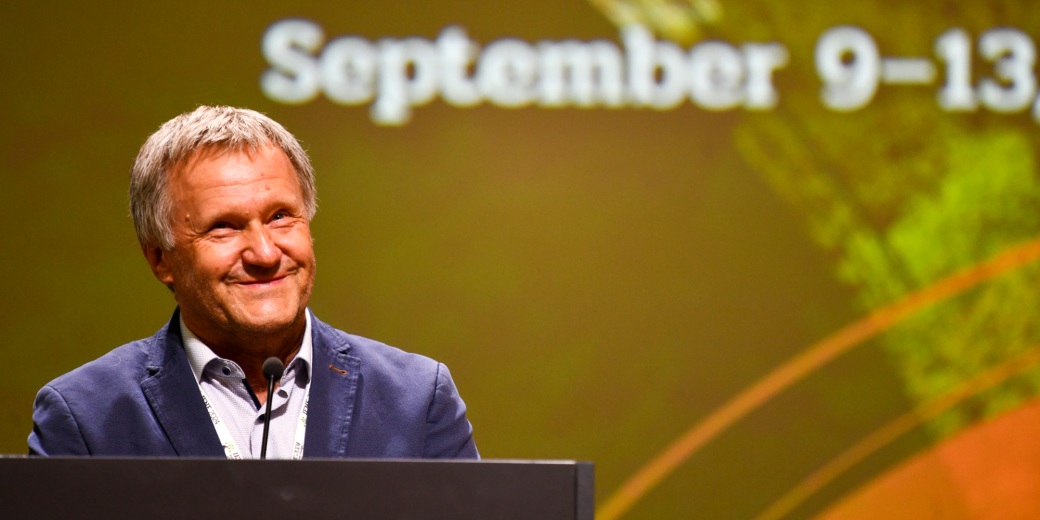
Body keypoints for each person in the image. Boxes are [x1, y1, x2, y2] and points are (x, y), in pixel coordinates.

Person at [28, 106, 478, 459]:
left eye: (281, 216)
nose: (265, 254)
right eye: (223, 227)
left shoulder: (417, 400)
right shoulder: (85, 417)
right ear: (161, 259)